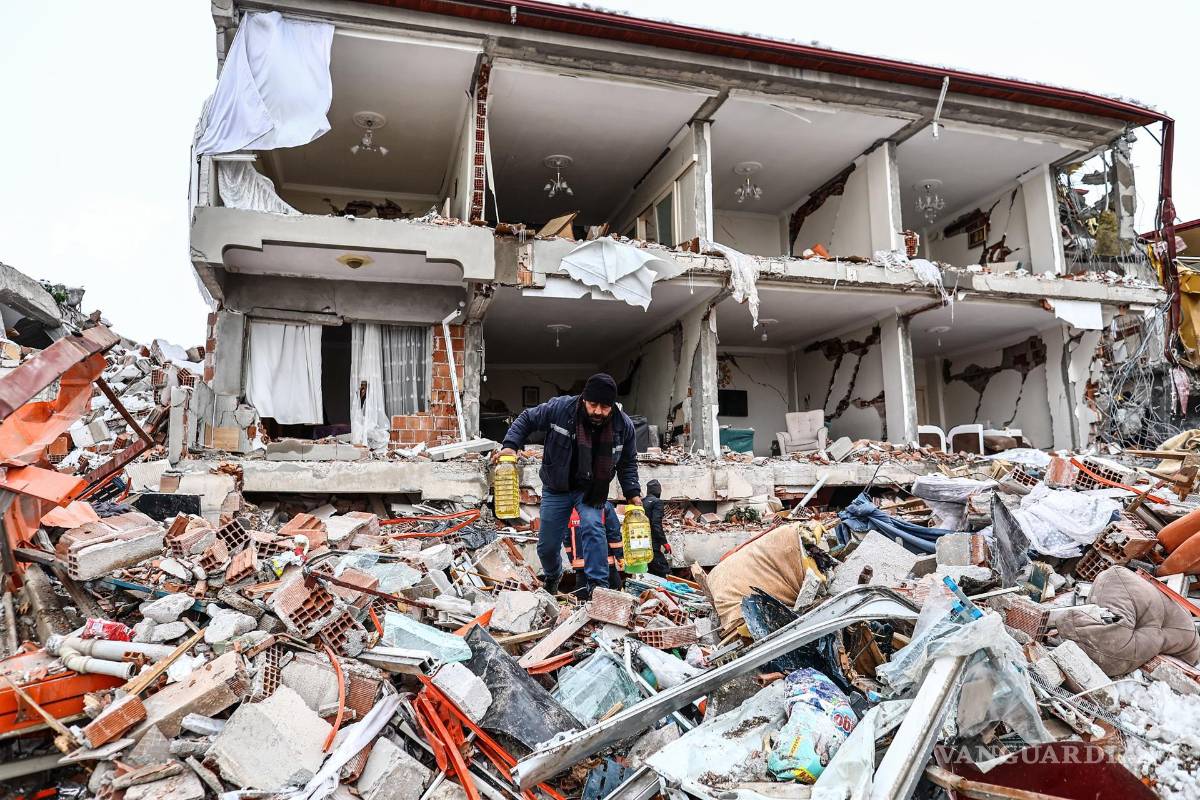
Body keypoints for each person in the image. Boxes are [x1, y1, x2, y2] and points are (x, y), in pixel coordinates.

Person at [495, 373, 641, 599]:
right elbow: (526, 419)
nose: (598, 412)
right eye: (593, 405)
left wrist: (633, 493)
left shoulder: (624, 426)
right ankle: (553, 575)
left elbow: (628, 463)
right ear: (584, 399)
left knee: (593, 527)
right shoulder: (560, 409)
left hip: (591, 490)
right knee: (547, 547)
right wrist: (510, 445)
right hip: (557, 488)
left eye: (605, 407)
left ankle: (597, 589)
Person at [643, 479, 671, 577]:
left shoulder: (642, 502)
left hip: (642, 542)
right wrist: (664, 542)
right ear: (658, 491)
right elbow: (656, 523)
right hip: (653, 544)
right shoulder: (657, 502)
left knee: (649, 572)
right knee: (664, 572)